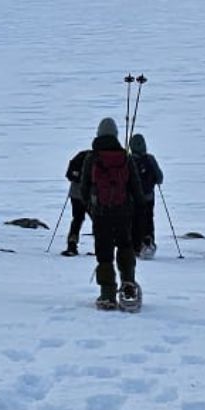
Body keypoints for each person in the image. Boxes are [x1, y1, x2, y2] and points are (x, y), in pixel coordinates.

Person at [79, 117, 143, 310]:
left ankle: (107, 294)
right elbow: (137, 190)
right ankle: (128, 286)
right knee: (125, 246)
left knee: (104, 254)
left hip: (101, 214)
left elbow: (83, 190)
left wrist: (92, 209)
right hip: (123, 213)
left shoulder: (92, 158)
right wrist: (134, 211)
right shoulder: (125, 157)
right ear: (115, 135)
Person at [128, 133, 164, 259]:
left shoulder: (128, 160)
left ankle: (135, 246)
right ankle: (148, 242)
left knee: (134, 220)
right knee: (148, 219)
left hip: (132, 198)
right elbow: (159, 178)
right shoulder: (150, 159)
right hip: (148, 196)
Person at [61, 147, 90, 256]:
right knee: (98, 221)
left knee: (77, 219)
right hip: (91, 195)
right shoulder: (96, 158)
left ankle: (72, 244)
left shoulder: (81, 156)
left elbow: (69, 175)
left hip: (75, 194)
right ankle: (101, 247)